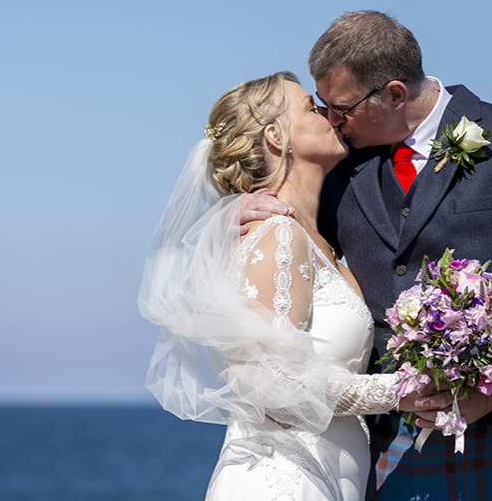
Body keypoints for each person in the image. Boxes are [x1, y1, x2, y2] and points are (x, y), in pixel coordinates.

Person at [242, 12, 492, 500]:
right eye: (325, 108)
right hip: (371, 436)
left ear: (395, 94)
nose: (333, 122)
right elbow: (300, 239)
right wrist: (241, 208)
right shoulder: (340, 163)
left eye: (342, 108)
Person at [139, 71, 432, 501]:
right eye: (313, 108)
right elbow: (267, 384)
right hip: (285, 480)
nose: (332, 116)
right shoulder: (278, 235)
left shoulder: (319, 241)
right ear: (276, 137)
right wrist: (399, 391)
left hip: (331, 478)